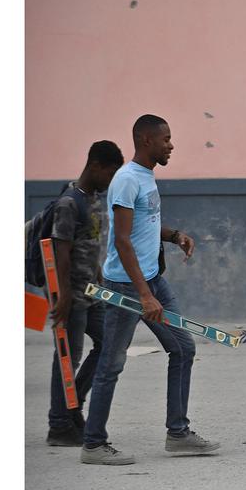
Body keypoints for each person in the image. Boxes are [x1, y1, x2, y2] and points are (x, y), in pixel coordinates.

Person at [80, 114, 219, 465]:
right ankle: (93, 444)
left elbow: (145, 225)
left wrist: (175, 236)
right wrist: (144, 295)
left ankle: (178, 433)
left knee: (183, 349)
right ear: (146, 141)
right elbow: (122, 240)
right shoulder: (126, 180)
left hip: (152, 278)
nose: (171, 145)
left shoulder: (145, 176)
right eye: (166, 139)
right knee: (111, 363)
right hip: (127, 286)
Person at [46, 141, 125, 447]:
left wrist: (102, 282)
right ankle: (59, 424)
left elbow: (91, 246)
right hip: (72, 294)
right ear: (95, 166)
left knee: (107, 344)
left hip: (93, 291)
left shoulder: (93, 199)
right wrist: (63, 296)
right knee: (67, 356)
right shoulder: (69, 202)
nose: (111, 181)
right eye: (110, 173)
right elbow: (60, 251)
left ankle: (73, 404)